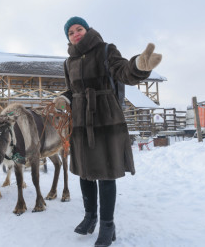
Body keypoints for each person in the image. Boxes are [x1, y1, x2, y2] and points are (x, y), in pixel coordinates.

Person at [54, 16, 162, 247]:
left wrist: (138, 66)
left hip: (105, 118)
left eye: (79, 28)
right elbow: (73, 90)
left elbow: (122, 71)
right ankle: (89, 217)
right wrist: (64, 98)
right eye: (70, 32)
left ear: (87, 29)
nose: (75, 33)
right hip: (81, 122)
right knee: (84, 173)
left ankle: (107, 225)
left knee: (105, 174)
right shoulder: (68, 62)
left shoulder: (105, 50)